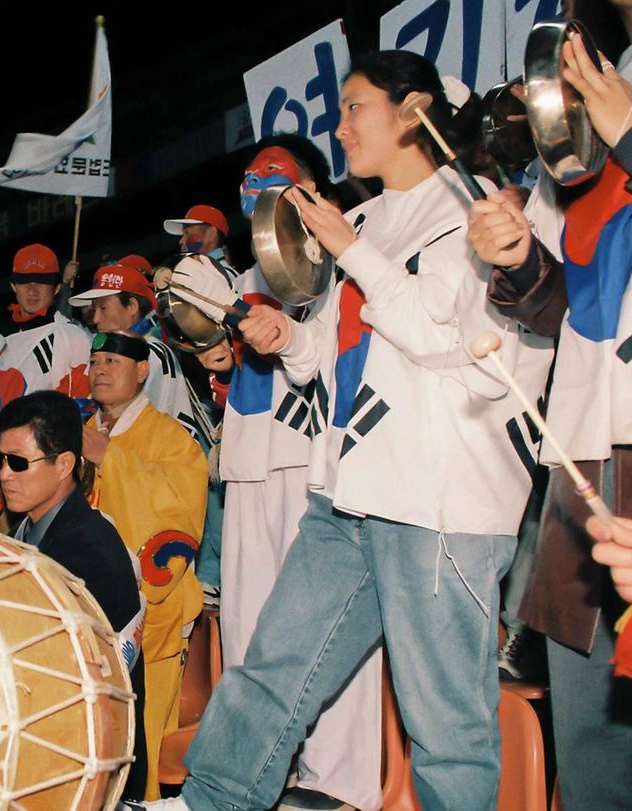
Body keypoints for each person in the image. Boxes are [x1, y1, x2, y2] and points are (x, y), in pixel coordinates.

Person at [133, 51, 552, 811]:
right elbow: (326, 356)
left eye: (356, 106)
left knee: (445, 717)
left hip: (439, 500)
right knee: (274, 662)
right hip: (349, 488)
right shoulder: (355, 220)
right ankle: (213, 798)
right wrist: (283, 338)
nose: (340, 124)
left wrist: (353, 252)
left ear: (413, 110)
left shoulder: (477, 208)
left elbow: (444, 335)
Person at [467, 7, 632, 805]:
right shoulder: (573, 95)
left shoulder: (611, 102)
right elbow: (567, 305)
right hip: (585, 442)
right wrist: (519, 259)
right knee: (600, 755)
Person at [212, 134, 384, 811]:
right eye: (249, 188)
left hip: (312, 455)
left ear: (316, 192)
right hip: (248, 458)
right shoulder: (240, 274)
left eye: (275, 183)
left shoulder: (341, 255)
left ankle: (339, 780)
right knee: (251, 630)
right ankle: (255, 770)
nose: (259, 197)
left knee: (326, 622)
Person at [0, 390, 149, 801]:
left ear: (64, 464)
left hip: (89, 766)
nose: (5, 474)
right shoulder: (29, 531)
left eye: (19, 462)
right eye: (0, 460)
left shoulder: (86, 548)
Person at [83, 330, 208, 800]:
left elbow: (181, 516)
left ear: (141, 371)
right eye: (95, 361)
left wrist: (108, 458)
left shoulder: (173, 439)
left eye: (112, 361)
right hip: (87, 602)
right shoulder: (81, 430)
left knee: (144, 729)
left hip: (150, 606)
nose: (100, 370)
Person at [69, 263, 200, 438]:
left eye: (103, 308)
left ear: (131, 306)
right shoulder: (108, 355)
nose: (96, 319)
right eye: (94, 310)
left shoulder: (151, 352)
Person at [0, 244, 93, 416]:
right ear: (14, 286)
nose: (32, 290)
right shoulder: (0, 338)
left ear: (57, 287)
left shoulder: (73, 337)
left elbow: (78, 409)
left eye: (42, 281)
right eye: (24, 281)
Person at [163, 204, 238, 284]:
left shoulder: (223, 276)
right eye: (182, 235)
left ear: (211, 234)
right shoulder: (206, 273)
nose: (181, 241)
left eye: (187, 233)